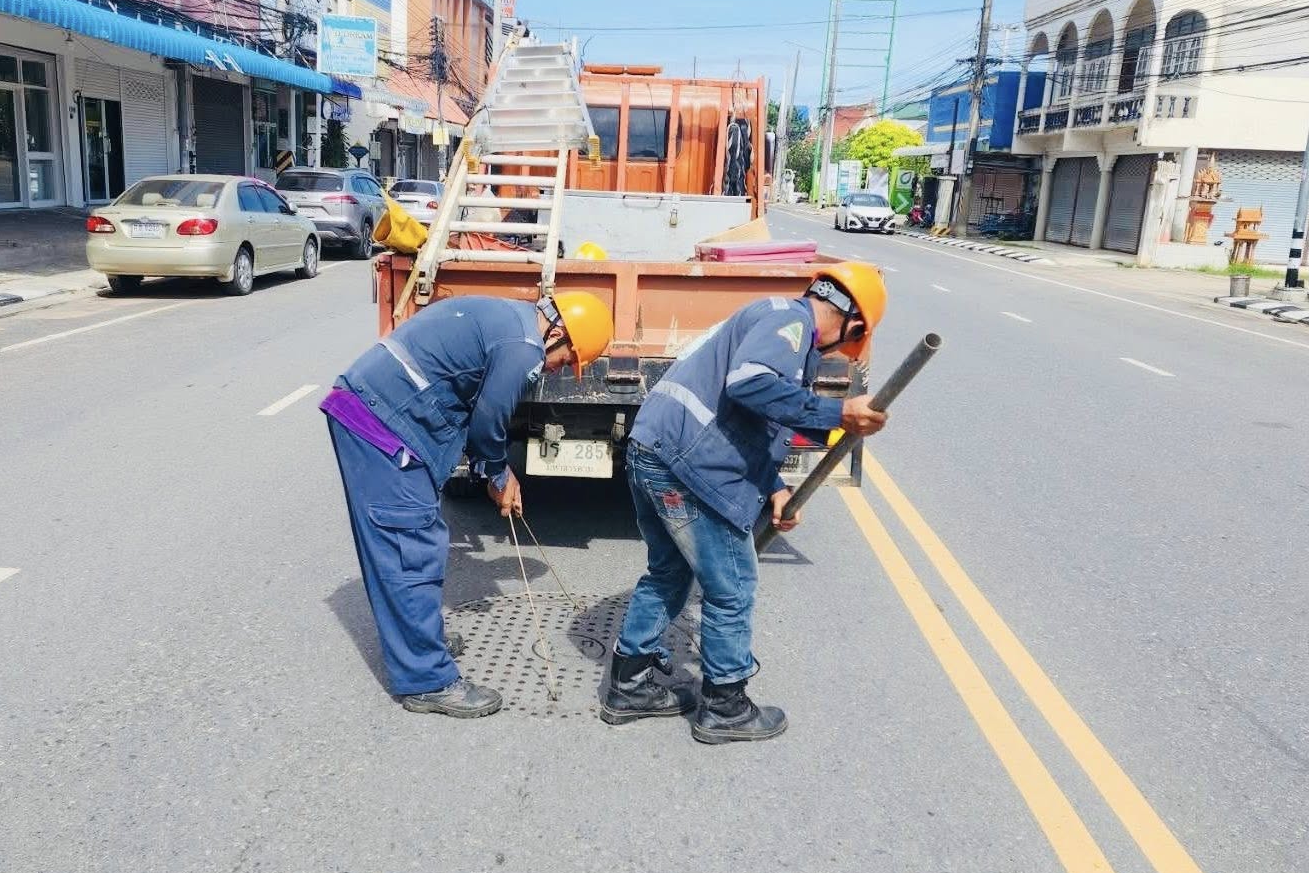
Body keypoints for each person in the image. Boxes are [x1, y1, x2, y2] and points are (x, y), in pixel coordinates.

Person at [601, 263, 889, 744]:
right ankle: (725, 706)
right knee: (731, 588)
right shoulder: (791, 323)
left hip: (654, 450)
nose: (837, 350)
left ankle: (629, 683)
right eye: (848, 340)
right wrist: (837, 411)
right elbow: (749, 385)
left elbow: (746, 421)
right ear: (853, 323)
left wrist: (773, 485)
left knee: (670, 573)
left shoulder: (771, 318)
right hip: (688, 466)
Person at [324, 292, 614, 718]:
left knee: (417, 541)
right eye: (567, 357)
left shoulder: (510, 319)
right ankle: (426, 680)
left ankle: (421, 639)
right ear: (559, 331)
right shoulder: (523, 347)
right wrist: (498, 474)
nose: (560, 368)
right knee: (411, 546)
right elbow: (487, 423)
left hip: (383, 411)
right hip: (380, 420)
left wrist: (494, 471)